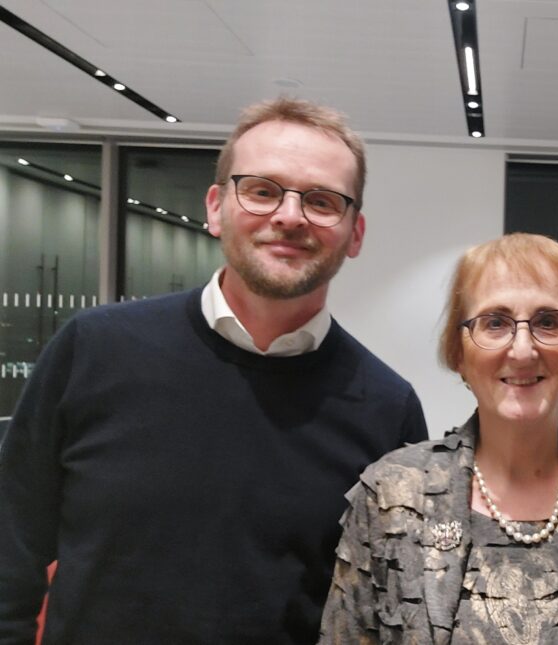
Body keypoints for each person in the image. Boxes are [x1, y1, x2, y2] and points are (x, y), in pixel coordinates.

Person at [0, 98, 428, 644]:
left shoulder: (388, 410)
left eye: (322, 200)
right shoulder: (94, 350)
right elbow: (10, 546)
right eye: (262, 190)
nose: (289, 216)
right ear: (216, 207)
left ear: (355, 232)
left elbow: (388, 610)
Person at [319, 233, 558, 644]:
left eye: (548, 322)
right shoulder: (392, 496)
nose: (522, 350)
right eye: (495, 322)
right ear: (458, 351)